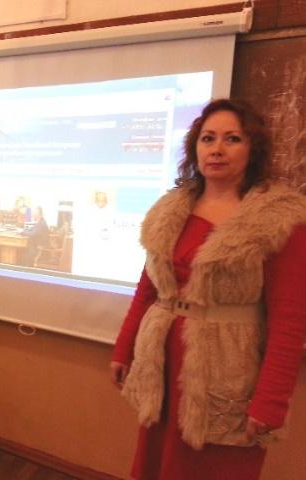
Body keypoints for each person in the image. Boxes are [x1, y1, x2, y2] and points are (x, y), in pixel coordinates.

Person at [109, 98, 306, 480]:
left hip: (228, 373)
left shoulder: (279, 219)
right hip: (163, 368)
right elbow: (149, 289)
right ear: (194, 147)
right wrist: (123, 347)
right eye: (208, 138)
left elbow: (290, 319)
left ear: (253, 148)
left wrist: (271, 401)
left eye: (232, 139)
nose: (217, 149)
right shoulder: (171, 210)